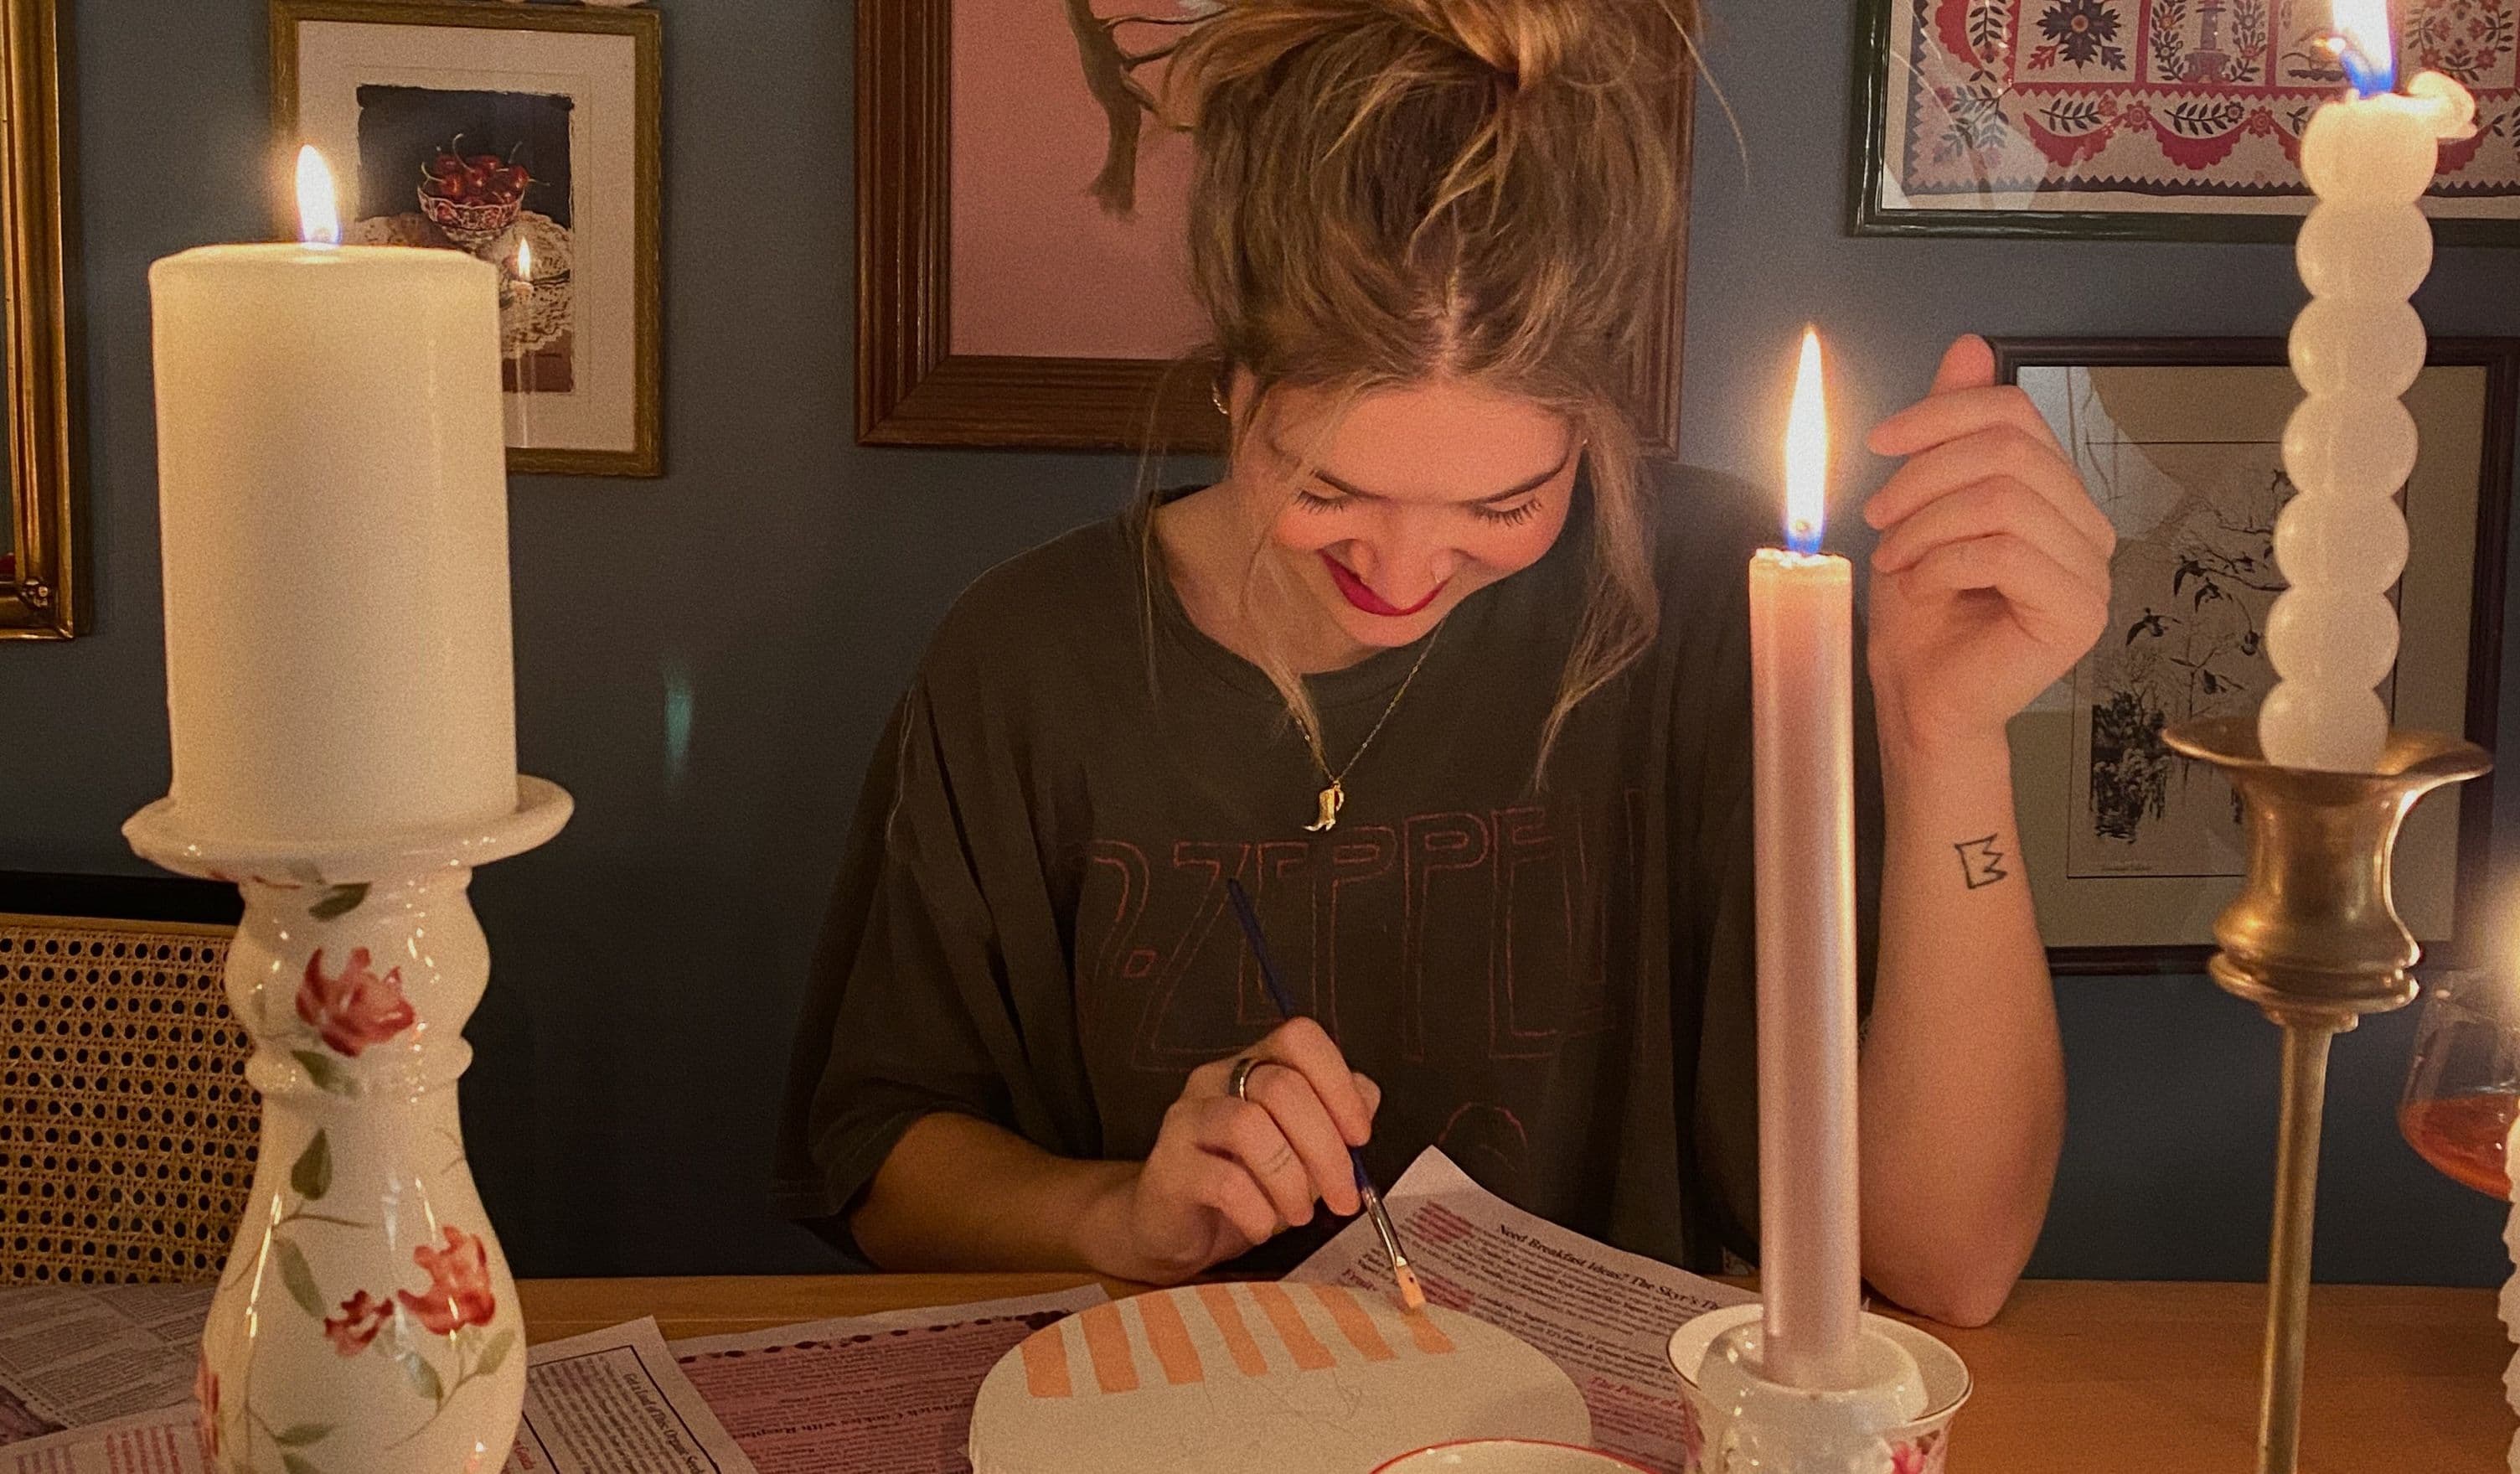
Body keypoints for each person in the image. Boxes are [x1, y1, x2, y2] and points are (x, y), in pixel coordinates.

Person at [775, 0, 2110, 1327]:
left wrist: (1948, 741)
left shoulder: (1736, 610)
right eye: (1328, 490)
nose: (1405, 577)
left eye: (1500, 508)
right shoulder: (1029, 660)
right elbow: (884, 1168)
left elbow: (1950, 1262)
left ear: (1591, 426)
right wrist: (1123, 1215)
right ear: (1233, 384)